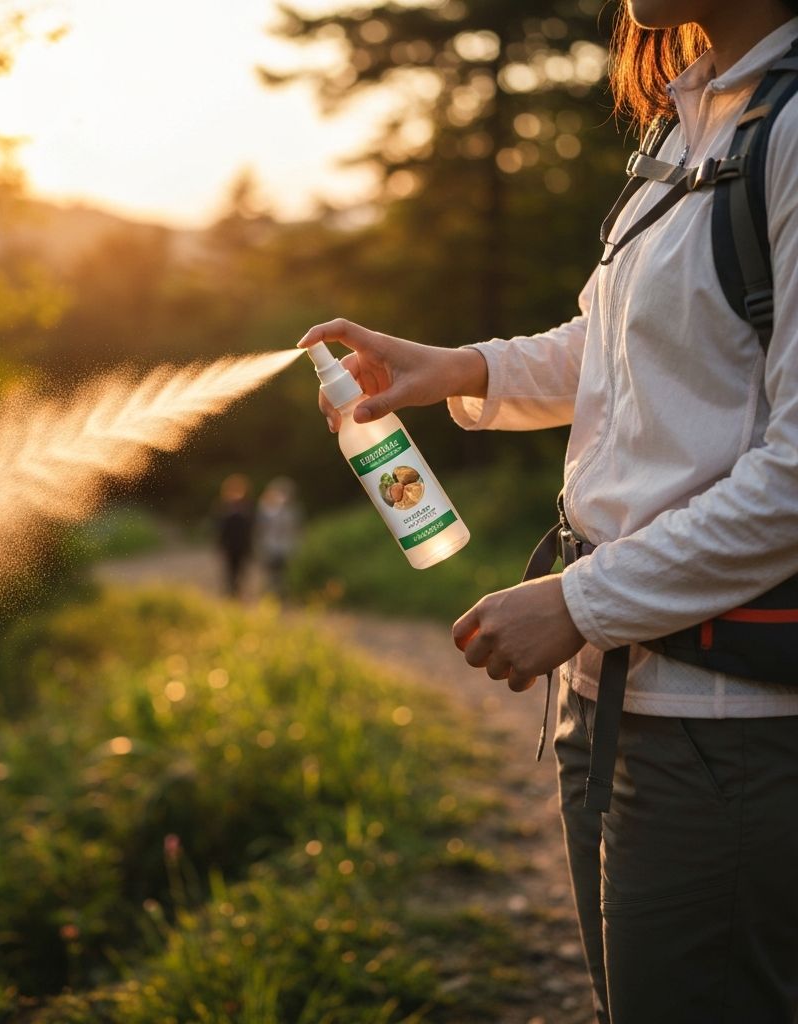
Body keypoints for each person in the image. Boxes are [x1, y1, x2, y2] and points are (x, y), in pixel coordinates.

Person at [299, 2, 798, 1021]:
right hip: (613, 698)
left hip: (725, 721)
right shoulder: (688, 119)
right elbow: (616, 346)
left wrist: (578, 600)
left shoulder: (789, 130)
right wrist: (457, 369)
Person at [255, 476, 303, 599]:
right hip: (271, 546)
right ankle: (271, 595)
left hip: (287, 546)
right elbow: (261, 528)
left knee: (284, 573)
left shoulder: (293, 510)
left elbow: (296, 528)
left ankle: (283, 594)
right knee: (271, 573)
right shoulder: (266, 509)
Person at [212, 473, 255, 598]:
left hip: (242, 545)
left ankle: (236, 591)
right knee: (230, 571)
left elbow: (251, 528)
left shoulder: (247, 507)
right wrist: (220, 544)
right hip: (229, 545)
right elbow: (219, 528)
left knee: (241, 570)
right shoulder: (223, 507)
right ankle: (231, 592)